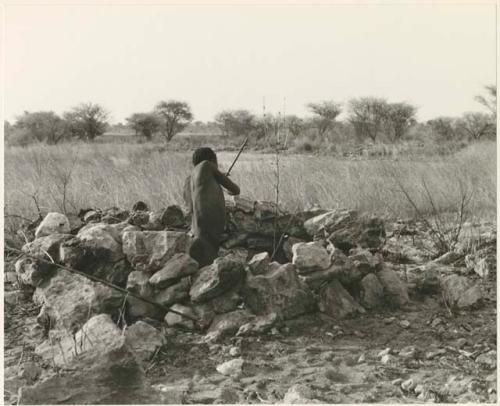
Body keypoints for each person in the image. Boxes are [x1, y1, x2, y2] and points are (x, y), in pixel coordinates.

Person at [185, 147, 240, 267]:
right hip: (209, 231)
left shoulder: (191, 177)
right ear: (211, 160)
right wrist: (223, 179)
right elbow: (236, 190)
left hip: (197, 230)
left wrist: (218, 177)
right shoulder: (207, 165)